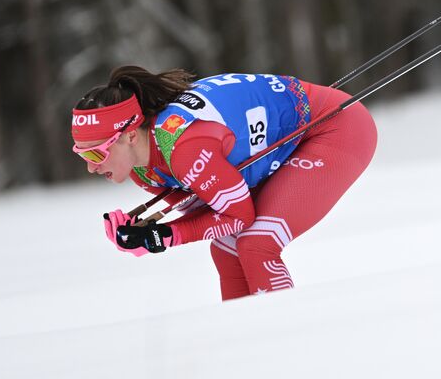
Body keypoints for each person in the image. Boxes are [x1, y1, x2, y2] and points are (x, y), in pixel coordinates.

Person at [70, 66, 378, 299]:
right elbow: (212, 209)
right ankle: (244, 352)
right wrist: (148, 233)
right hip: (291, 139)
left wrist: (165, 235)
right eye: (81, 153)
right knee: (226, 249)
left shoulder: (183, 147)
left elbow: (238, 216)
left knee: (258, 243)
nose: (90, 167)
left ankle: (285, 342)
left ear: (129, 136)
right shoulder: (144, 170)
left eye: (97, 153)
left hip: (335, 128)